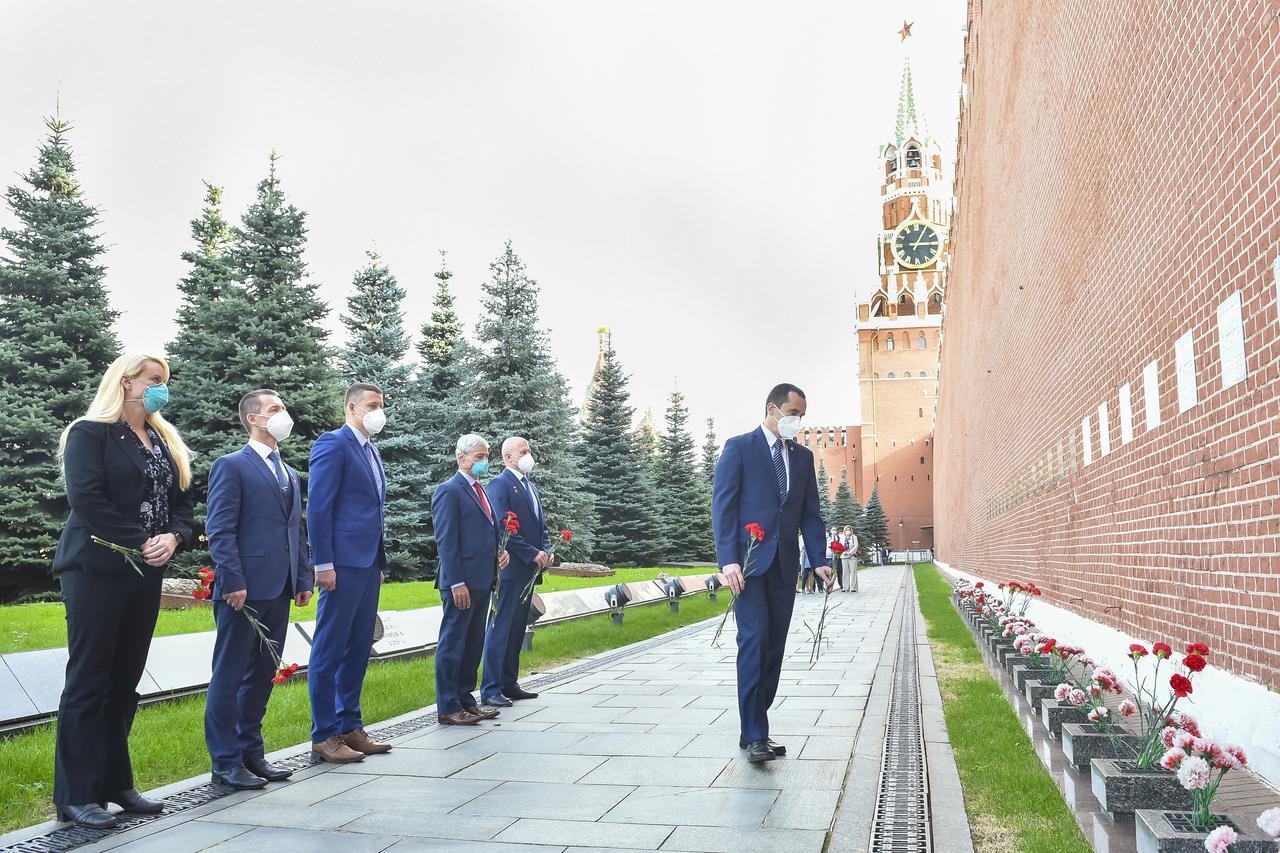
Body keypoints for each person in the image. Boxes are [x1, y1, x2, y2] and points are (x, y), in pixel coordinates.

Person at [51, 354, 195, 828]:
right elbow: (86, 498)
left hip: (145, 571)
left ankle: (115, 782)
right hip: (95, 569)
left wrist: (173, 537)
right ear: (127, 381)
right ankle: (75, 795)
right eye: (155, 380)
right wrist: (141, 540)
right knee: (89, 679)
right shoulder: (89, 433)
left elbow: (182, 503)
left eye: (164, 382)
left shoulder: (162, 439)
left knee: (125, 680)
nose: (161, 389)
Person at [712, 383, 831, 763]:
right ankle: (754, 733)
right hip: (747, 565)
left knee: (775, 647)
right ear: (772, 409)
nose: (797, 422)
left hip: (784, 566)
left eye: (802, 416)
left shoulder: (801, 457)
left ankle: (756, 723)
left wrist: (820, 557)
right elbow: (724, 508)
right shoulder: (739, 448)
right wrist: (728, 560)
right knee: (753, 641)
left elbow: (810, 514)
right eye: (793, 414)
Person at [203, 389, 314, 789]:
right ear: (254, 419)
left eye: (283, 407)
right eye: (275, 409)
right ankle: (225, 762)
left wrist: (302, 578)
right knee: (230, 675)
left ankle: (252, 753)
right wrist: (232, 579)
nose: (284, 414)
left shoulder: (289, 472)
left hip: (280, 588)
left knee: (262, 673)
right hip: (243, 590)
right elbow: (220, 528)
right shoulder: (231, 466)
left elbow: (296, 530)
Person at [306, 383, 392, 762]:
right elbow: (320, 507)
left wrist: (378, 563)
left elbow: (372, 511)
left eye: (381, 405)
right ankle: (325, 735)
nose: (379, 412)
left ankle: (350, 726)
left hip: (367, 563)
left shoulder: (371, 451)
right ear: (353, 408)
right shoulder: (333, 443)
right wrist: (323, 563)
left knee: (359, 648)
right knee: (329, 649)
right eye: (373, 405)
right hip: (340, 564)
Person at [431, 434, 509, 725]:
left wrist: (500, 553)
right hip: (461, 582)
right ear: (461, 458)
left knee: (474, 642)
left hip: (483, 579)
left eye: (486, 456)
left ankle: (466, 699)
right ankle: (448, 706)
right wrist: (455, 582)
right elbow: (446, 541)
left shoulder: (481, 490)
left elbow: (489, 529)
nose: (484, 462)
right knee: (454, 643)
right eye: (478, 457)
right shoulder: (449, 491)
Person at [480, 436, 550, 707]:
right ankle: (491, 688)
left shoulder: (531, 487)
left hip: (530, 569)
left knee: (517, 627)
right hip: (511, 569)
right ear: (508, 457)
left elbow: (540, 526)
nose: (528, 455)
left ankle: (510, 683)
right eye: (523, 452)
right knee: (501, 627)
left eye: (529, 451)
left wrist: (546, 549)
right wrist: (532, 553)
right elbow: (502, 525)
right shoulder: (500, 484)